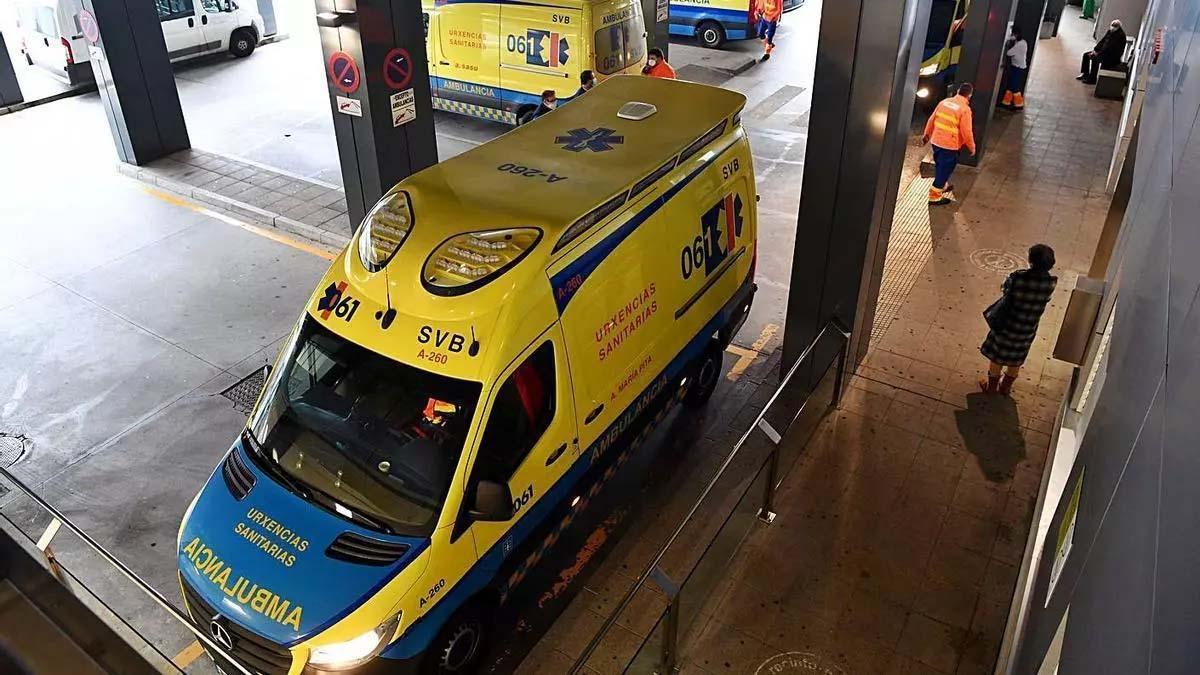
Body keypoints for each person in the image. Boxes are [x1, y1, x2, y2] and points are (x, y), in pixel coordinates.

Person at [979, 244, 1058, 395]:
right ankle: (1005, 387)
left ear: (1031, 260)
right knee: (1016, 359)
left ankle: (991, 388)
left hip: (1006, 326)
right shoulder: (1051, 282)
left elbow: (1006, 290)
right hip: (1027, 330)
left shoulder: (1018, 277)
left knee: (997, 357)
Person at [921, 82, 977, 205]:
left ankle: (943, 185)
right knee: (945, 169)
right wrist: (972, 147)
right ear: (969, 96)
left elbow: (932, 119)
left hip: (936, 141)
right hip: (949, 145)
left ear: (957, 91)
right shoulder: (965, 110)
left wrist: (926, 135)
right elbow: (967, 132)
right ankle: (934, 196)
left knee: (940, 165)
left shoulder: (944, 102)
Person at [1079, 20, 1127, 84]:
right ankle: (1085, 74)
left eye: (1114, 26)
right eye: (1112, 25)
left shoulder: (1120, 35)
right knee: (1086, 55)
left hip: (1112, 56)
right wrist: (1095, 50)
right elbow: (1102, 41)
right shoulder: (1110, 31)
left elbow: (1109, 47)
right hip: (1103, 52)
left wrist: (1097, 53)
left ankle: (1092, 79)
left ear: (1118, 27)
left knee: (1095, 59)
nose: (1112, 27)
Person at [1001, 26, 1028, 110]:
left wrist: (1008, 42)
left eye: (1013, 34)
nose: (1011, 35)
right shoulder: (1022, 42)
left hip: (1018, 67)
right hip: (1016, 66)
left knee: (1014, 86)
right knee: (1011, 85)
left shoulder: (1020, 44)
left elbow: (1009, 53)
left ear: (1016, 35)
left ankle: (1019, 105)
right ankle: (1006, 102)